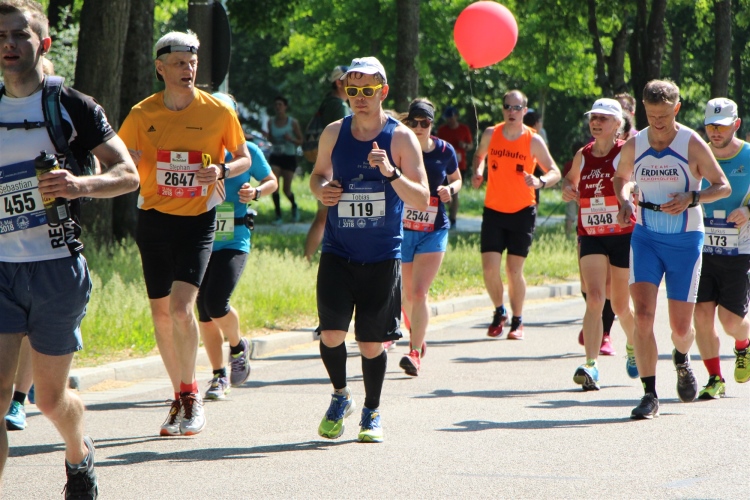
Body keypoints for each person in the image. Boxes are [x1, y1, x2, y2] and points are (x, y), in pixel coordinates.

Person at [0, 0, 139, 495]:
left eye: (19, 34)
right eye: (0, 37)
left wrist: (80, 185)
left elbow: (128, 174)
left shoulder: (71, 105)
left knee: (50, 401)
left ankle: (79, 455)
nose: (9, 44)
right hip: (2, 268)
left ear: (43, 43)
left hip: (57, 269)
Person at [119, 30, 251, 437]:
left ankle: (192, 395)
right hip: (154, 219)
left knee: (180, 309)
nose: (187, 69)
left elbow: (244, 157)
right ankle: (177, 395)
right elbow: (119, 160)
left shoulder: (218, 111)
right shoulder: (141, 114)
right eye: (179, 63)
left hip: (198, 220)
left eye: (192, 63)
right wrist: (130, 161)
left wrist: (222, 170)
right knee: (161, 314)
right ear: (160, 68)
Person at [310, 57, 428, 443]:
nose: (359, 97)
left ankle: (372, 410)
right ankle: (340, 396)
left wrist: (391, 173)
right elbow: (317, 175)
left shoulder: (401, 138)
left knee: (371, 343)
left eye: (367, 90)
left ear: (383, 92)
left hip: (381, 255)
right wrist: (322, 190)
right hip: (338, 251)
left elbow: (422, 198)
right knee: (331, 334)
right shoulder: (333, 132)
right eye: (352, 90)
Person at [613, 79, 731, 419]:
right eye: (651, 115)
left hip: (685, 239)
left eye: (664, 116)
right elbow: (621, 177)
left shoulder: (691, 143)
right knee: (643, 315)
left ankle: (681, 357)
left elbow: (721, 186)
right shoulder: (636, 143)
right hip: (646, 236)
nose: (658, 123)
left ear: (676, 109)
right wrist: (624, 200)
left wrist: (692, 197)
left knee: (680, 328)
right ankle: (649, 395)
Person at [197, 93, 278, 400]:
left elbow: (272, 181)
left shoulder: (248, 151)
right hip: (200, 238)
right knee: (204, 312)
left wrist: (255, 192)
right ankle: (219, 376)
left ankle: (237, 346)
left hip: (234, 238)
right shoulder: (197, 150)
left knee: (216, 302)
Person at [472, 90, 561, 340]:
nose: (512, 112)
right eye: (508, 107)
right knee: (489, 269)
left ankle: (518, 320)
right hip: (494, 209)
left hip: (522, 211)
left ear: (525, 110)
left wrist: (540, 181)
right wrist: (478, 171)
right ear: (503, 109)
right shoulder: (491, 134)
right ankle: (499, 311)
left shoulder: (533, 140)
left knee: (513, 270)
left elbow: (555, 171)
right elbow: (479, 155)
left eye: (517, 107)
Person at [562, 98, 637, 391]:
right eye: (593, 117)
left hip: (622, 234)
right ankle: (591, 365)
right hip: (591, 233)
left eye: (603, 118)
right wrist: (568, 189)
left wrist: (629, 198)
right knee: (594, 297)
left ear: (617, 123)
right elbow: (570, 180)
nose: (596, 122)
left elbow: (636, 183)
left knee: (619, 304)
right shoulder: (583, 154)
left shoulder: (626, 151)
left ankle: (633, 343)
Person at [3, 53, 54, 433]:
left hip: (48, 251)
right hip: (5, 250)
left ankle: (20, 398)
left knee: (28, 333)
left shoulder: (61, 115)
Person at [397, 98, 461, 376]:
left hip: (433, 230)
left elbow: (457, 178)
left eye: (425, 122)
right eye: (414, 122)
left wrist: (450, 190)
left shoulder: (444, 150)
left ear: (432, 124)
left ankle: (414, 352)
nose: (419, 127)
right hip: (403, 230)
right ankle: (417, 335)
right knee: (405, 295)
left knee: (419, 292)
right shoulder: (399, 147)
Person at [693, 98, 750, 399]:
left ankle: (744, 344)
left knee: (730, 322)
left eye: (722, 126)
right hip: (701, 248)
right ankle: (714, 378)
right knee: (701, 315)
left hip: (739, 251)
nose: (715, 132)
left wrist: (748, 211)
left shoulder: (749, 156)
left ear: (736, 125)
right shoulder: (697, 154)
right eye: (711, 126)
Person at [303, 65, 350, 262]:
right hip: (333, 168)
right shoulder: (338, 106)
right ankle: (310, 258)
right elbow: (344, 139)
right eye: (348, 80)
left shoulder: (328, 102)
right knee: (326, 216)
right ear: (339, 83)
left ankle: (307, 258)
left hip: (325, 166)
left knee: (323, 216)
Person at [266, 96, 303, 224]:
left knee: (286, 190)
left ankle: (294, 207)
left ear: (285, 107)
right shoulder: (270, 122)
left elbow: (301, 140)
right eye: (276, 104)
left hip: (289, 156)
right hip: (276, 156)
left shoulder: (292, 122)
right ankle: (278, 216)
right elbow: (271, 139)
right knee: (274, 185)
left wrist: (290, 139)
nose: (278, 107)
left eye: (280, 104)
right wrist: (269, 138)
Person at [437, 105, 472, 228]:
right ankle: (448, 210)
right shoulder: (442, 130)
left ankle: (453, 219)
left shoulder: (464, 129)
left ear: (456, 116)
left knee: (455, 192)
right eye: (447, 118)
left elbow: (470, 145)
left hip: (460, 165)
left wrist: (464, 146)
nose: (450, 120)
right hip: (443, 165)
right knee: (443, 191)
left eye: (451, 117)